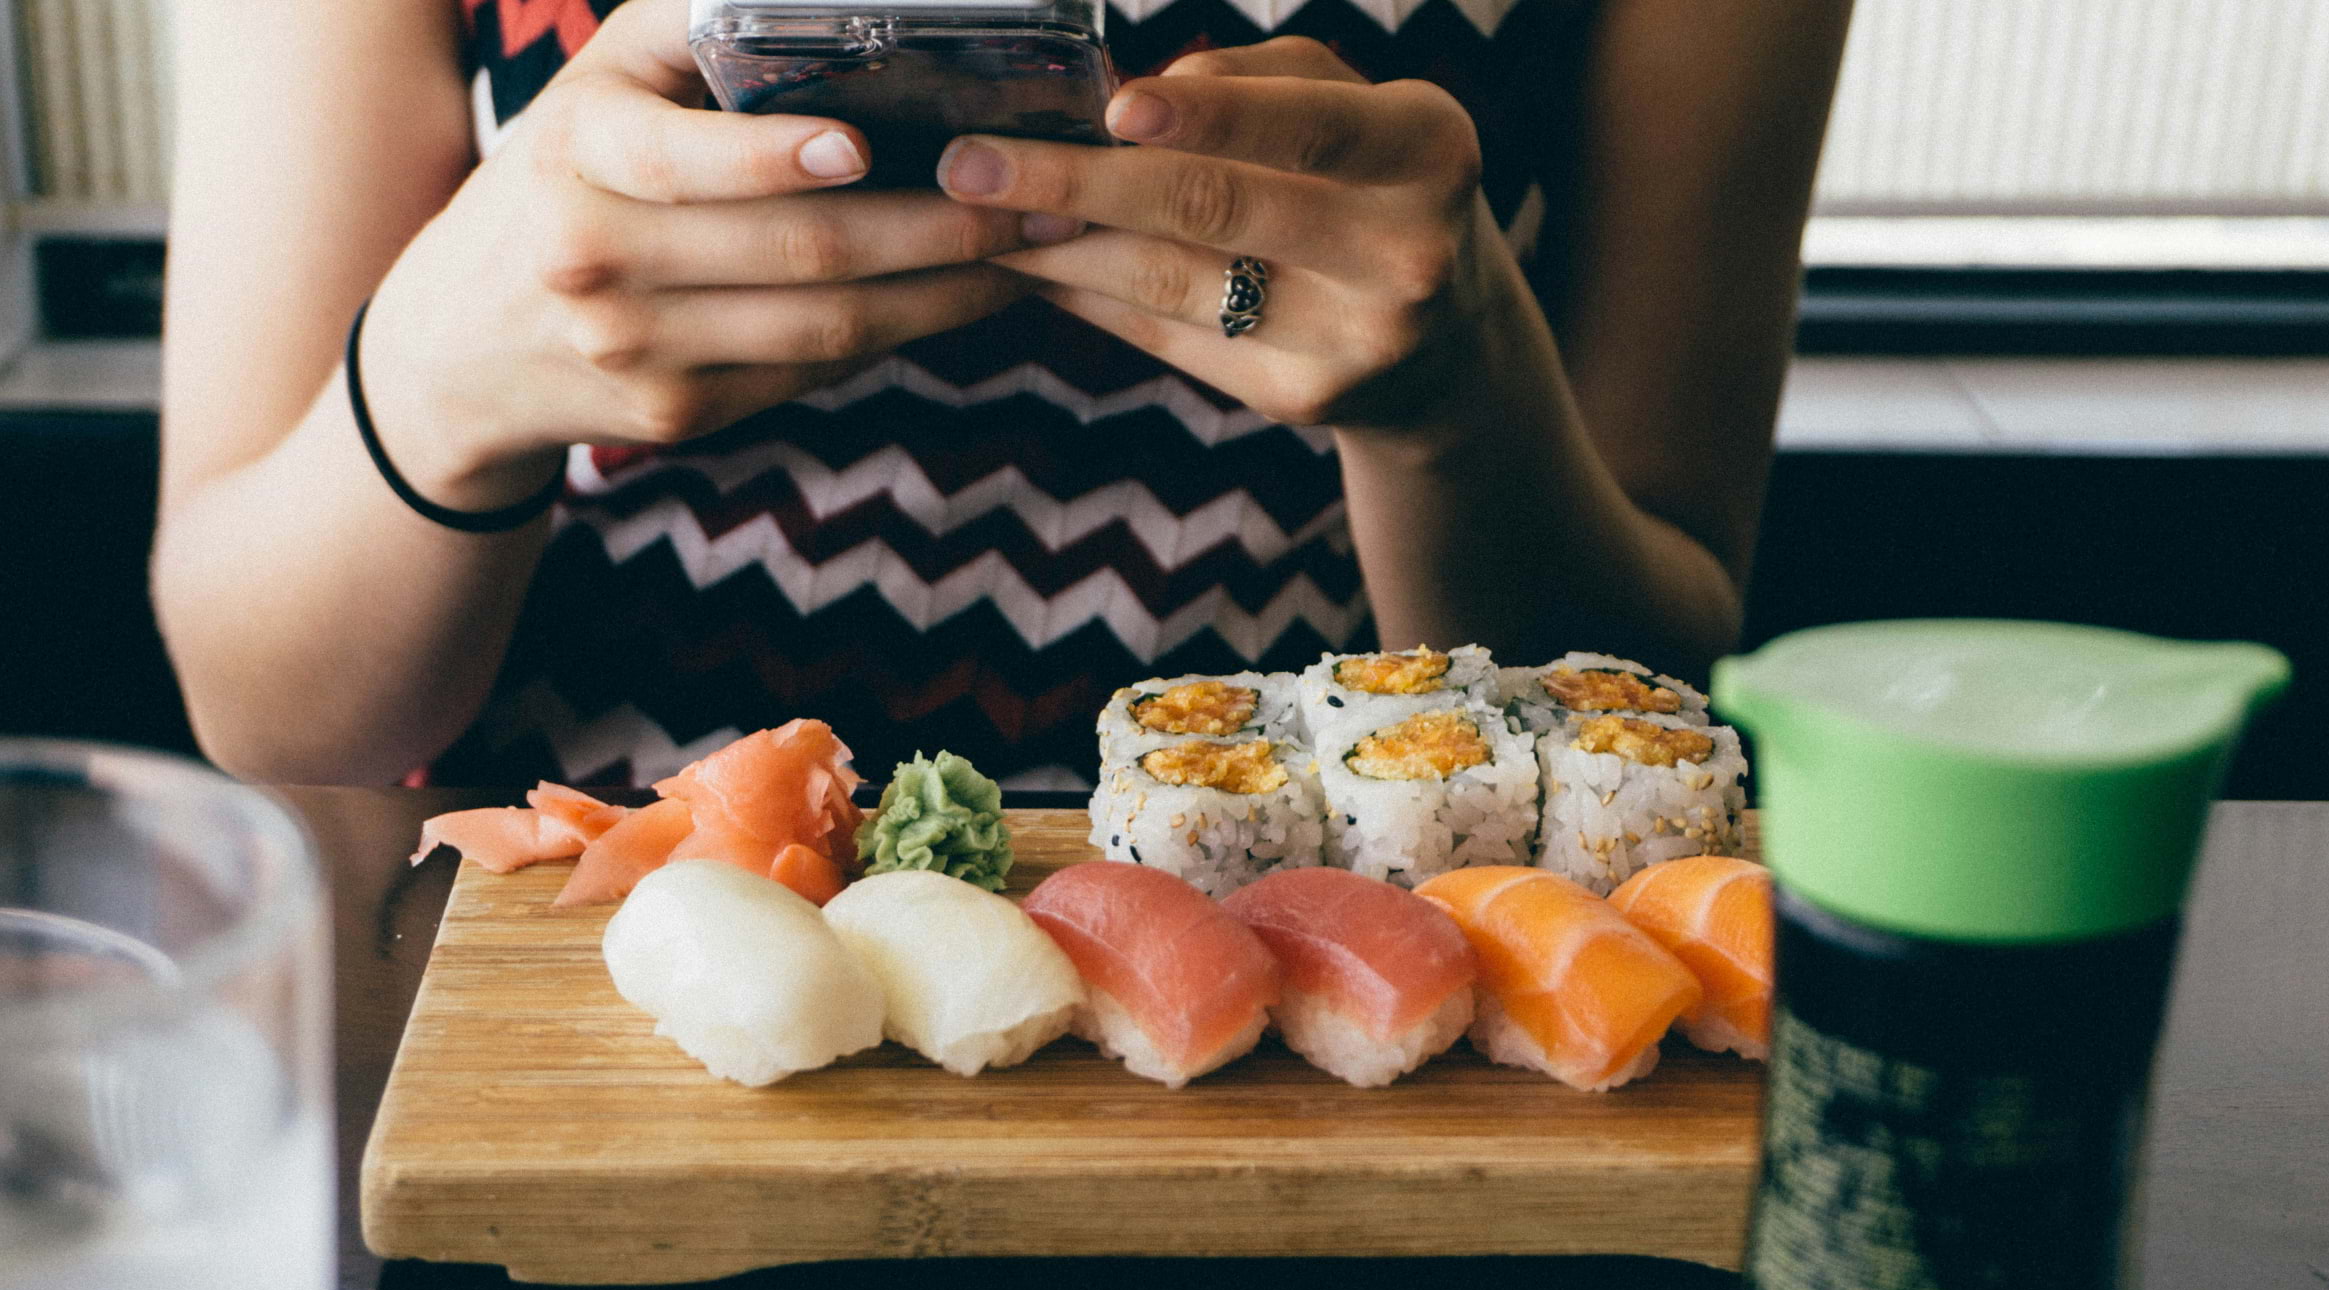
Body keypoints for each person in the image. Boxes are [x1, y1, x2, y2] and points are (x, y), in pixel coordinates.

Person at [153, 0, 1853, 788]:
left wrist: (1459, 406)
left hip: (1346, 1014)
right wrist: (441, 382)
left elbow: (1660, 693)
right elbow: (270, 709)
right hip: (588, 999)